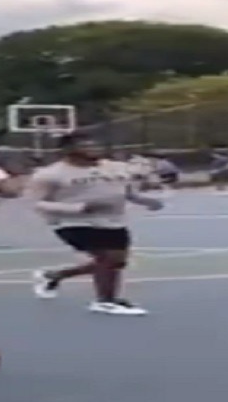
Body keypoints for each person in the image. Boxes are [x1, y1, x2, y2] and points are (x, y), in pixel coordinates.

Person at [27, 133, 164, 316]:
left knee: (116, 261)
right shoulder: (50, 174)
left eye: (96, 145)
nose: (94, 149)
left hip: (113, 221)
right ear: (68, 149)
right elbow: (36, 203)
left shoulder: (114, 168)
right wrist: (80, 208)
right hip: (73, 222)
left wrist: (144, 200)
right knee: (109, 257)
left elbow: (125, 191)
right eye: (85, 145)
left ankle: (53, 276)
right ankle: (105, 301)